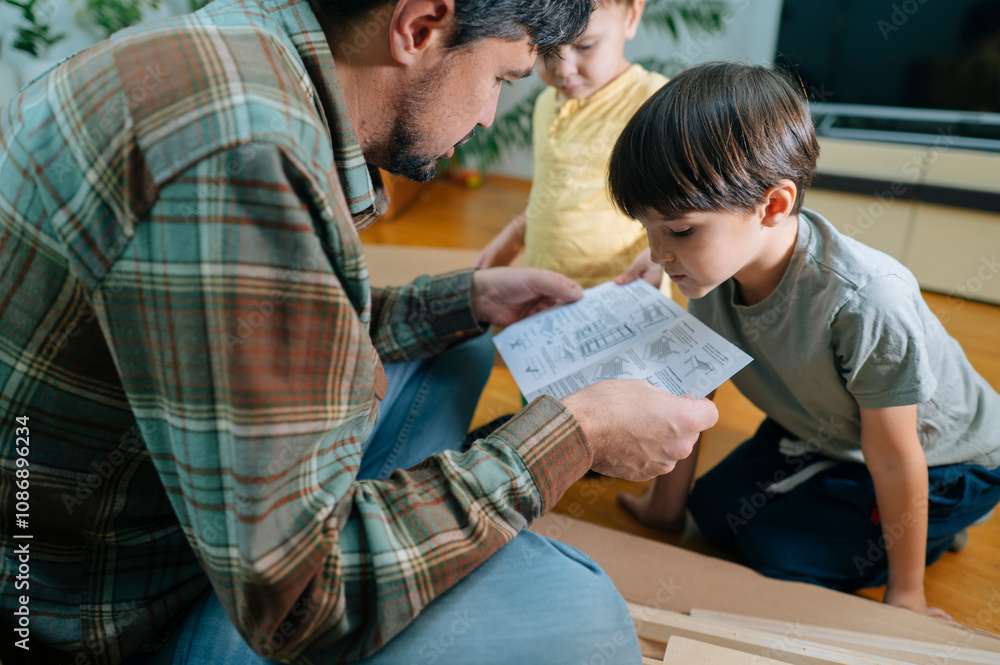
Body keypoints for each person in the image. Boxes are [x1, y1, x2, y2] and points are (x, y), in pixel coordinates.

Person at [0, 1, 720, 663]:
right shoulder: (242, 156)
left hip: (163, 514)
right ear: (420, 25)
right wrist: (578, 432)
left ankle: (389, 521)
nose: (485, 117)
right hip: (119, 615)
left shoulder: (243, 46)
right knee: (580, 608)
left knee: (457, 340)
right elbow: (301, 601)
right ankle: (385, 532)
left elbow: (257, 325)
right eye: (501, 77)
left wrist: (462, 299)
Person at [608, 61, 1000, 618]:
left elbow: (895, 457)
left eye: (679, 230)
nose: (658, 255)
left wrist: (906, 597)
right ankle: (844, 502)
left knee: (774, 550)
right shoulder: (709, 272)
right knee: (715, 513)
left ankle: (947, 524)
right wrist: (665, 510)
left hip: (943, 460)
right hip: (829, 432)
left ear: (772, 205)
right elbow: (695, 394)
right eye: (647, 230)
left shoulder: (865, 300)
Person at [474, 0, 671, 298]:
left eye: (585, 46)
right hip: (548, 288)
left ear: (631, 16)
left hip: (622, 288)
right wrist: (513, 235)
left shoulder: (654, 104)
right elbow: (552, 191)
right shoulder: (545, 105)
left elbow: (684, 204)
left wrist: (664, 259)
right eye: (548, 48)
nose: (564, 70)